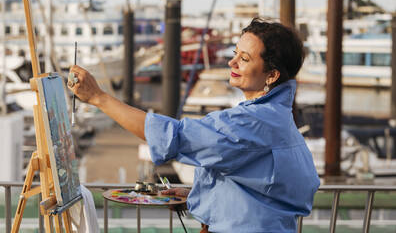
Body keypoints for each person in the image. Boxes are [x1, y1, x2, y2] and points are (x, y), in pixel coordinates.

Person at [67, 18, 320, 233]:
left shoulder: (253, 122)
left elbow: (171, 136)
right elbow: (264, 189)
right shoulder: (277, 118)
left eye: (244, 59)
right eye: (235, 54)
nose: (232, 64)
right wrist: (199, 195)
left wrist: (98, 98)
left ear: (271, 75)